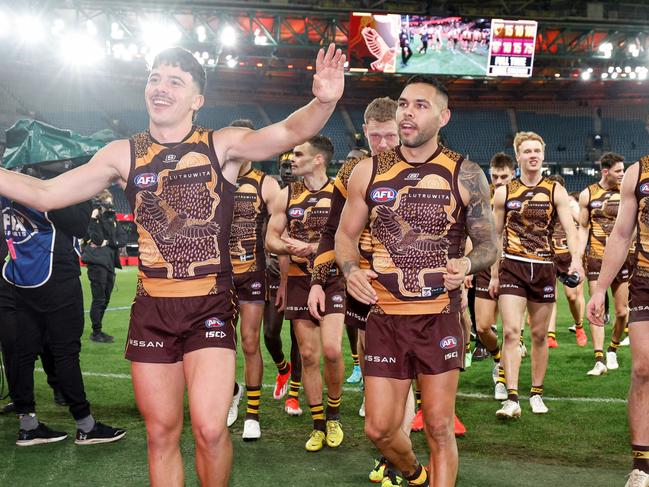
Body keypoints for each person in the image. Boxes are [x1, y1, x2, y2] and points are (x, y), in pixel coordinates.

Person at [0, 45, 344, 485]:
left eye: (175, 81)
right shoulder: (121, 154)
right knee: (161, 434)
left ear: (196, 99)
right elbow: (48, 195)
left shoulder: (223, 144)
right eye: (155, 78)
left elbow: (288, 131)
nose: (160, 88)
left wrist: (325, 100)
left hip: (209, 309)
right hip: (152, 313)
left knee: (209, 428)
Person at [336, 75, 497, 487]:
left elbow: (488, 246)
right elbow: (345, 236)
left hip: (438, 317)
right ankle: (414, 474)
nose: (408, 111)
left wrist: (466, 264)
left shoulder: (466, 173)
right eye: (404, 103)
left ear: (443, 116)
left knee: (439, 427)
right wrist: (351, 270)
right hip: (385, 317)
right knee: (378, 430)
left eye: (420, 105)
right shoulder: (367, 172)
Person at [0, 169, 126, 446]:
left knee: (22, 355)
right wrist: (79, 196)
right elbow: (79, 226)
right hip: (56, 278)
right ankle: (86, 425)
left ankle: (28, 425)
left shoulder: (7, 193)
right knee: (66, 353)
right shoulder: (50, 194)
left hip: (18, 277)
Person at [490, 132, 585, 419]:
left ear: (543, 155)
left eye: (537, 151)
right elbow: (496, 236)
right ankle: (512, 399)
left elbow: (570, 230)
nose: (533, 155)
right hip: (513, 267)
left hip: (544, 267)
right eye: (527, 151)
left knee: (540, 335)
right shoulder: (504, 192)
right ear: (518, 156)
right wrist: (494, 275)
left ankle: (537, 393)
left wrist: (576, 261)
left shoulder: (555, 190)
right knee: (510, 332)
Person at [266, 135, 346, 453]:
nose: (291, 159)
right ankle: (318, 424)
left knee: (331, 350)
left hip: (333, 278)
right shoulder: (287, 194)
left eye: (299, 154)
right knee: (309, 355)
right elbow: (271, 238)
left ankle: (335, 415)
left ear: (318, 160)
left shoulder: (340, 191)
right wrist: (291, 247)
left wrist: (315, 248)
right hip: (300, 280)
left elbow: (349, 236)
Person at [586, 154, 649, 487]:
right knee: (642, 368)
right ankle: (642, 464)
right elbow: (622, 235)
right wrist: (598, 291)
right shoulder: (638, 173)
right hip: (646, 279)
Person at [225, 119, 281, 441]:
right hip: (219, 276)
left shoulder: (265, 183)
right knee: (220, 346)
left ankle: (253, 415)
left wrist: (279, 257)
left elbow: (279, 226)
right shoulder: (215, 181)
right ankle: (231, 391)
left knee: (249, 341)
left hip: (252, 275)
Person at [578, 152, 630, 376]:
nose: (622, 174)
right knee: (596, 308)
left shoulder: (628, 193)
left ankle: (613, 348)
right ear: (605, 171)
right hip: (596, 258)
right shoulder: (588, 194)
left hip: (623, 259)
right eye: (618, 170)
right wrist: (578, 257)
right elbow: (583, 228)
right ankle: (599, 358)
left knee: (621, 312)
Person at [261, 151, 303, 417]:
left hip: (300, 273)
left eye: (291, 165)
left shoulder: (308, 193)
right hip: (272, 274)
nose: (287, 170)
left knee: (300, 337)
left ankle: (295, 394)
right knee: (270, 333)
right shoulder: (272, 195)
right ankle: (282, 368)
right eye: (283, 166)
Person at [472, 152, 516, 401]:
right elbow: (473, 231)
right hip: (485, 265)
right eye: (495, 175)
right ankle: (498, 360)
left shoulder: (519, 195)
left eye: (504, 176)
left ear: (513, 174)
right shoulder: (482, 196)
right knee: (483, 327)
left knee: (512, 331)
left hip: (513, 267)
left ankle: (503, 379)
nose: (499, 180)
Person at [82, 189, 126, 343]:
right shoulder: (93, 219)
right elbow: (98, 239)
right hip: (97, 262)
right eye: (107, 201)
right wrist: (95, 220)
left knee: (106, 299)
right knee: (99, 299)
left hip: (109, 262)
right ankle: (96, 332)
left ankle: (98, 330)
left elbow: (122, 238)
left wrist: (109, 242)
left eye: (110, 201)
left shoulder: (111, 217)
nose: (110, 204)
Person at [546, 179, 585, 349]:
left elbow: (583, 222)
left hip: (568, 257)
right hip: (549, 256)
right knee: (550, 296)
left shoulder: (569, 204)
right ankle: (551, 335)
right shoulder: (543, 205)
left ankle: (579, 326)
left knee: (572, 296)